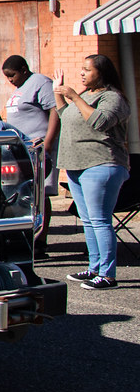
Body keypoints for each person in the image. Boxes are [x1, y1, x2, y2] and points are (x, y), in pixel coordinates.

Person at [55, 54, 131, 290]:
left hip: (102, 164)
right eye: (81, 69)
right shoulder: (86, 97)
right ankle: (94, 267)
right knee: (88, 220)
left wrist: (74, 96)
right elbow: (64, 116)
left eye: (87, 70)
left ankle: (108, 275)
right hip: (76, 165)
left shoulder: (112, 97)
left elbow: (99, 122)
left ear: (102, 73)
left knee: (99, 220)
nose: (82, 73)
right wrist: (58, 92)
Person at [2, 54, 61, 256]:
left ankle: (40, 239)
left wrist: (49, 142)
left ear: (24, 70)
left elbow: (56, 110)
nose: (10, 79)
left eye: (12, 75)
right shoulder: (20, 89)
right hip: (20, 151)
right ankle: (27, 237)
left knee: (39, 194)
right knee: (26, 194)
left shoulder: (40, 82)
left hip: (37, 149)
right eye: (7, 76)